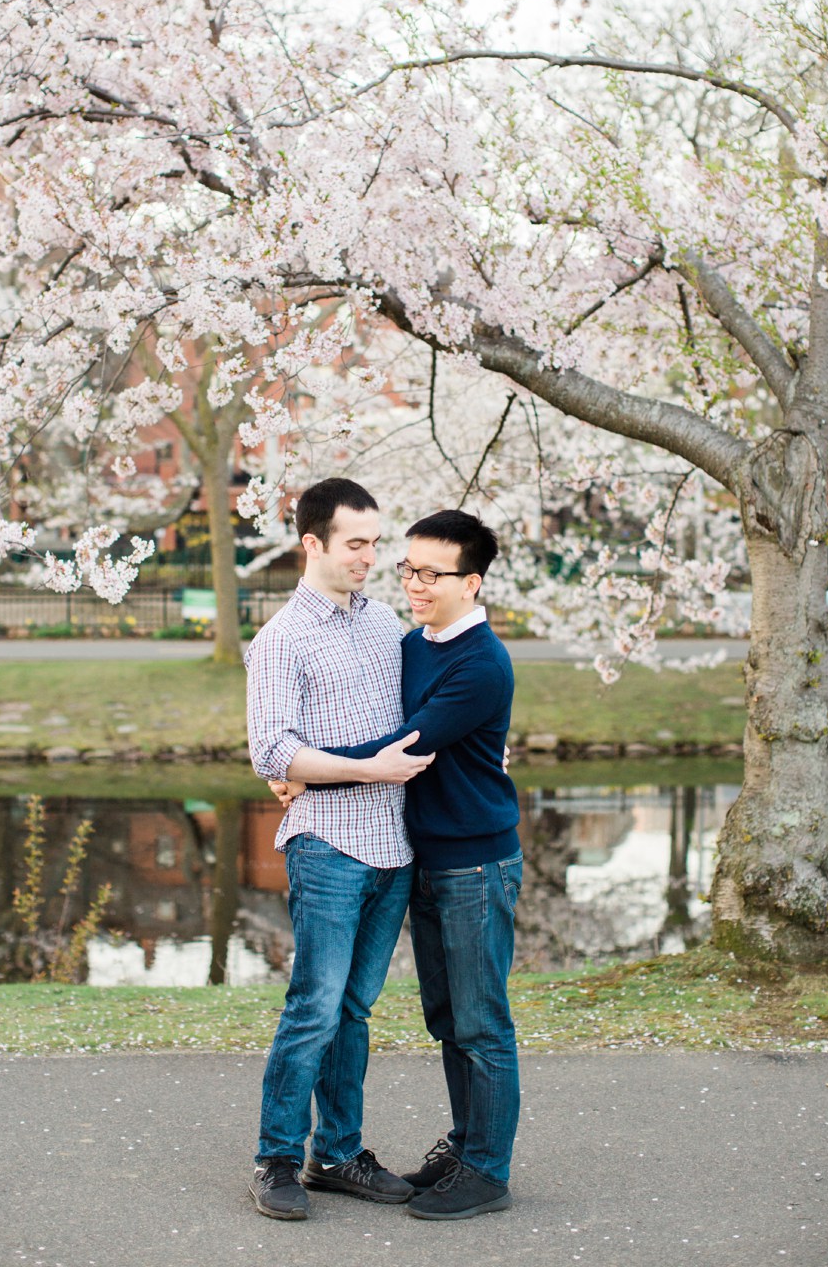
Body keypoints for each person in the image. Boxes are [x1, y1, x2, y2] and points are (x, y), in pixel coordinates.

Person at [310, 509, 520, 1220]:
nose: (414, 583)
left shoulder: (480, 664)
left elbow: (402, 747)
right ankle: (465, 1146)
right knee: (447, 1017)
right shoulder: (416, 644)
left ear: (473, 581)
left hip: (473, 866)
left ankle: (487, 1170)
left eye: (431, 574)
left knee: (481, 1022)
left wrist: (305, 773)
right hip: (425, 859)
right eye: (408, 569)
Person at [243, 477, 432, 1222]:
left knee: (354, 1008)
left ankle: (339, 1153)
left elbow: (426, 707)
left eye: (375, 543)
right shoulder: (281, 640)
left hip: (395, 845)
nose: (370, 556)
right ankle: (276, 1159)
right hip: (329, 846)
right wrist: (362, 769)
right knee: (314, 1008)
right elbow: (273, 751)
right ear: (312, 543)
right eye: (356, 543)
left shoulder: (385, 623)